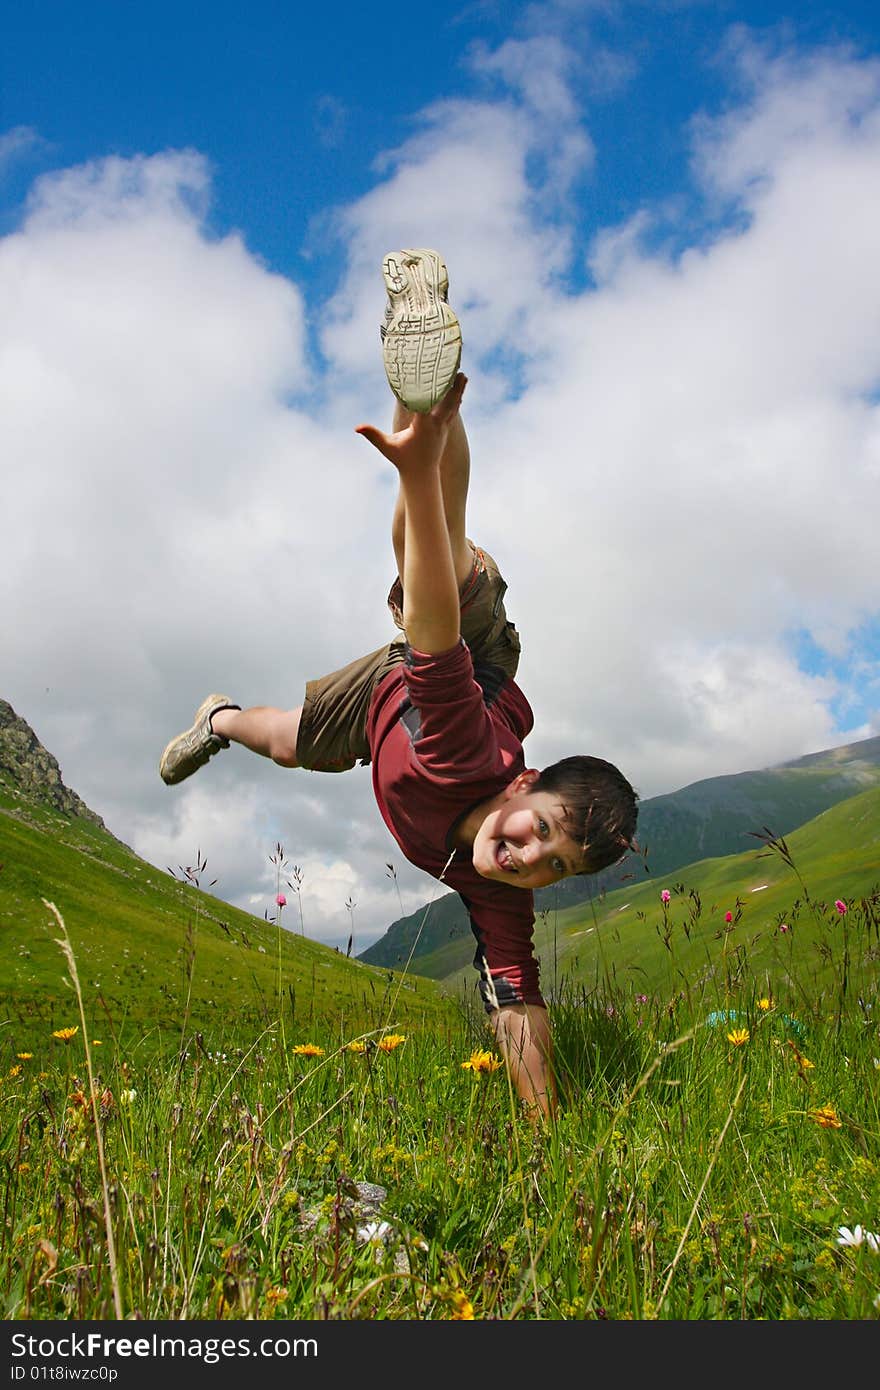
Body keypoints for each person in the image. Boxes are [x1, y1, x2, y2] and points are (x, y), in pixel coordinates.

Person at [159, 248, 638, 1118]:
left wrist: (546, 1136)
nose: (529, 860)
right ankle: (425, 398)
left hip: (391, 704)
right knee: (442, 559)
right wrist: (418, 471)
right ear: (523, 786)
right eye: (540, 833)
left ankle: (215, 716)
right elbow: (433, 629)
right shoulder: (468, 753)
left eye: (553, 867)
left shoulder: (497, 888)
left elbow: (516, 995)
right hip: (467, 661)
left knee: (280, 740)